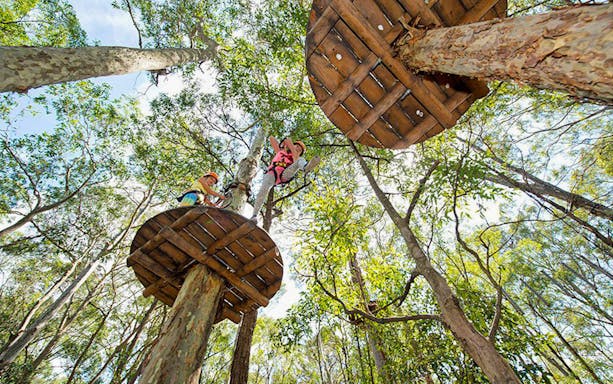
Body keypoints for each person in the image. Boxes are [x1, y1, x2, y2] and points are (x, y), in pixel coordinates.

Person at [251, 136, 318, 221]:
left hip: (285, 173)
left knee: (300, 161)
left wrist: (290, 144)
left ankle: (305, 167)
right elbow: (271, 138)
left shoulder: (295, 157)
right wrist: (283, 142)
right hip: (272, 172)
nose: (297, 149)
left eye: (299, 149)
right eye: (296, 146)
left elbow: (295, 155)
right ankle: (254, 215)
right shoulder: (280, 152)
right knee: (263, 190)